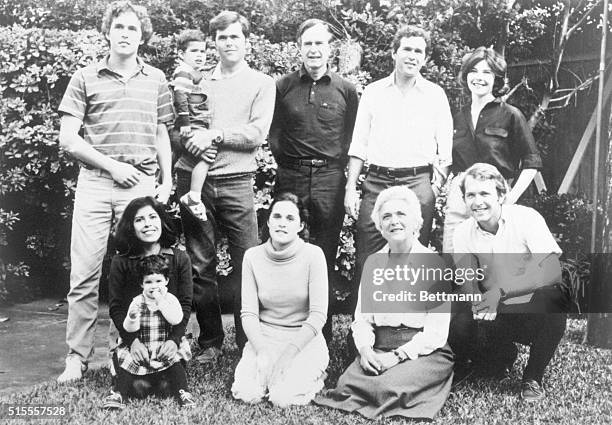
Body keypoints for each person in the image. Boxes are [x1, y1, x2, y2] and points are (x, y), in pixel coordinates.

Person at [57, 0, 174, 382]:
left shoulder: (156, 78)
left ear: (143, 37)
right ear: (108, 31)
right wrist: (112, 167)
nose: (125, 34)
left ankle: (123, 351)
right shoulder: (85, 77)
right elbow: (68, 140)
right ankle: (77, 357)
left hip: (139, 186)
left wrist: (167, 179)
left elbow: (161, 133)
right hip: (95, 183)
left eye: (133, 29)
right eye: (119, 27)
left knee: (135, 273)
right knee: (85, 276)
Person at [174, 11, 276, 361]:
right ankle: (211, 343)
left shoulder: (261, 84)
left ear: (246, 41)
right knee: (201, 264)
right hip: (194, 182)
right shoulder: (195, 80)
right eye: (222, 37)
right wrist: (192, 141)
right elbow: (177, 128)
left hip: (236, 181)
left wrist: (215, 134)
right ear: (213, 42)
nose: (229, 43)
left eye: (235, 36)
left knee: (248, 260)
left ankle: (250, 344)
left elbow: (255, 134)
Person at [315, 186, 454, 420]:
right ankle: (380, 383)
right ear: (380, 225)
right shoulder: (373, 264)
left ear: (416, 222)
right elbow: (362, 320)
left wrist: (398, 356)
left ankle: (397, 387)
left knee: (388, 388)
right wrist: (366, 350)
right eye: (387, 216)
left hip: (423, 352)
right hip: (380, 346)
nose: (394, 221)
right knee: (346, 384)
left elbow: (437, 333)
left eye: (401, 214)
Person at [344, 25, 452, 305]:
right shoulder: (373, 92)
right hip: (377, 181)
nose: (413, 56)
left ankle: (408, 329)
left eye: (419, 51)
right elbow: (359, 144)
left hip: (418, 182)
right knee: (368, 257)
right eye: (407, 49)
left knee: (413, 256)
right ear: (394, 52)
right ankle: (363, 334)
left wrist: (435, 187)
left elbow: (445, 151)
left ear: (425, 58)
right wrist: (350, 189)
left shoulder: (435, 95)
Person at [269, 18, 359, 343]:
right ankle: (283, 328)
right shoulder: (282, 87)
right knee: (285, 249)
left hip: (329, 178)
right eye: (308, 43)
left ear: (330, 48)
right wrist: (291, 164)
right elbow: (274, 134)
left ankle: (318, 334)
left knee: (323, 254)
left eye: (320, 43)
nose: (314, 49)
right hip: (290, 175)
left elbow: (352, 139)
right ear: (299, 47)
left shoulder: (346, 90)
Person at [451, 163, 568, 402]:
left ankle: (532, 377)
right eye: (471, 195)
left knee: (555, 302)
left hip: (524, 304)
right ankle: (495, 356)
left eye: (485, 194)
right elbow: (467, 279)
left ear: (501, 195)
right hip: (492, 310)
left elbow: (551, 271)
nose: (477, 201)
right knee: (457, 318)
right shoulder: (463, 231)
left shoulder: (526, 218)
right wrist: (477, 303)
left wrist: (500, 292)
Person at [231, 192, 329, 407]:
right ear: (268, 221)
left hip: (303, 341)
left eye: (290, 219)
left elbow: (318, 315)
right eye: (277, 217)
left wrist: (287, 356)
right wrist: (262, 351)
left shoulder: (314, 255)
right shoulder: (252, 256)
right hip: (265, 337)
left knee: (282, 398)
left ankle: (317, 377)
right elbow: (248, 313)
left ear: (301, 225)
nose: (282, 224)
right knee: (247, 394)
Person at [443, 47, 542, 253]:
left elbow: (531, 163)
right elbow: (446, 161)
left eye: (486, 72)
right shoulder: (457, 117)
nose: (479, 78)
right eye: (474, 71)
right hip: (460, 199)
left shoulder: (511, 115)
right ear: (466, 75)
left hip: (495, 200)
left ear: (496, 78)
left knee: (493, 266)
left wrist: (509, 199)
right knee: (455, 263)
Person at [104, 197, 194, 409]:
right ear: (130, 226)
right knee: (137, 387)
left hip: (167, 336)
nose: (148, 224)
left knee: (166, 385)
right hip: (136, 335)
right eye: (139, 220)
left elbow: (186, 304)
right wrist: (132, 342)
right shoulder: (121, 261)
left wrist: (174, 340)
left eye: (153, 217)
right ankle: (118, 393)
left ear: (162, 221)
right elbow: (116, 307)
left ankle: (180, 388)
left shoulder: (180, 258)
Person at [171, 29, 218, 221]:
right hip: (190, 124)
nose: (200, 55)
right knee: (210, 153)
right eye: (194, 51)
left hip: (194, 122)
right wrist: (184, 123)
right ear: (182, 54)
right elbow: (180, 96)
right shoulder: (183, 71)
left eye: (202, 51)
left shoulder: (194, 73)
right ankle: (194, 196)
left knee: (181, 157)